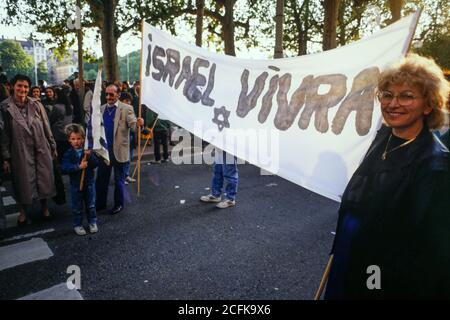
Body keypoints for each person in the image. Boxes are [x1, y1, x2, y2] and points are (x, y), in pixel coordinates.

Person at [324, 54, 450, 299]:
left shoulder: (436, 164)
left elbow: (432, 249)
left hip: (383, 269)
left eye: (407, 96)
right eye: (388, 94)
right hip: (350, 252)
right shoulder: (383, 137)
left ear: (428, 105)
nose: (393, 103)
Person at [1, 74, 57, 225]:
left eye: (26, 86)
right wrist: (5, 157)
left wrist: (52, 146)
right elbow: (4, 134)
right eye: (19, 86)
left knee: (44, 179)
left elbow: (46, 126)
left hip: (41, 147)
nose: (23, 89)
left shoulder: (37, 105)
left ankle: (45, 208)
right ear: (12, 87)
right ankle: (23, 212)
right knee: (21, 182)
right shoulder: (5, 107)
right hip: (19, 150)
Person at [95, 84, 144, 215]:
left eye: (111, 94)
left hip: (119, 150)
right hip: (104, 150)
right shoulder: (102, 109)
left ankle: (119, 204)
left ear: (118, 94)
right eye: (107, 94)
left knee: (119, 180)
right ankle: (100, 204)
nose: (108, 97)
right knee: (101, 179)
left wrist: (139, 124)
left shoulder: (127, 108)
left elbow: (133, 126)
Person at [61, 124, 99, 235]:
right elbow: (64, 168)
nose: (76, 141)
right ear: (69, 140)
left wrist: (90, 155)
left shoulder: (87, 152)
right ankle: (78, 224)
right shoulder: (68, 154)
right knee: (77, 206)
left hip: (89, 182)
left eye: (79, 138)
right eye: (73, 139)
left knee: (91, 204)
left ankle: (92, 222)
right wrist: (78, 167)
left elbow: (95, 164)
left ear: (83, 139)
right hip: (75, 184)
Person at [119, 92, 137, 184]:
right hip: (122, 139)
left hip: (130, 136)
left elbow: (134, 125)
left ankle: (126, 175)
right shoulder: (119, 110)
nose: (128, 103)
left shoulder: (130, 109)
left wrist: (138, 124)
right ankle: (122, 177)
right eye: (126, 101)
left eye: (130, 101)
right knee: (123, 159)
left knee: (129, 157)